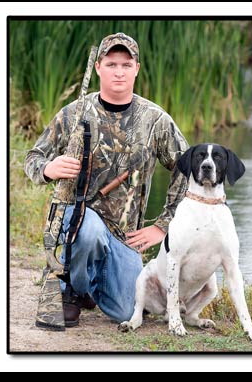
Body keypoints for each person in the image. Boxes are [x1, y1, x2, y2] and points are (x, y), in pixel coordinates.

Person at [25, 32, 189, 327]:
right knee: (88, 233)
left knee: (128, 312)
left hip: (126, 236)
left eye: (126, 65)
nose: (119, 71)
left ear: (137, 69)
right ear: (99, 66)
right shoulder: (75, 112)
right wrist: (50, 168)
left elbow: (187, 168)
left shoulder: (155, 120)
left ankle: (86, 284)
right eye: (112, 64)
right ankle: (72, 290)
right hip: (80, 220)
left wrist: (163, 226)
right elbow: (33, 158)